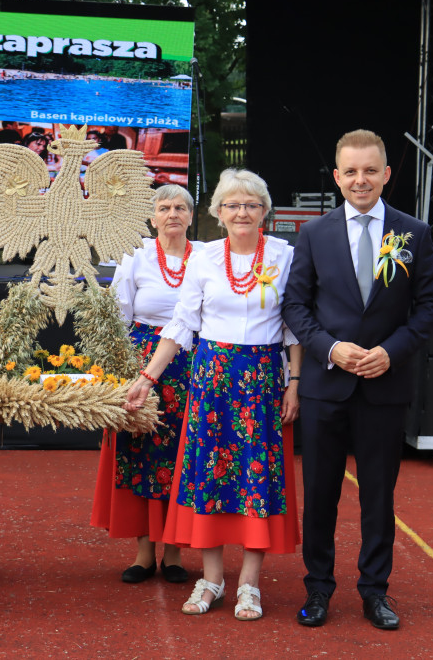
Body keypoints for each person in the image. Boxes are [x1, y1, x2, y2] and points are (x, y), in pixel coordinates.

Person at [281, 130, 433, 630]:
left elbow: (431, 306)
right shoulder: (313, 233)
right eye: (350, 171)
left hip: (383, 388)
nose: (360, 179)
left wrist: (389, 353)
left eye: (370, 170)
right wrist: (330, 348)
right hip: (325, 388)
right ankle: (318, 590)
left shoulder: (413, 232)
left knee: (378, 496)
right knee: (322, 495)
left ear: (386, 174)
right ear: (336, 177)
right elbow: (295, 306)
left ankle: (375, 592)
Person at [125, 169, 302, 621]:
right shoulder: (205, 259)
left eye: (251, 204)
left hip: (261, 380)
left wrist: (295, 381)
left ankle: (249, 585)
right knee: (210, 478)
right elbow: (182, 324)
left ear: (265, 211)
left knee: (255, 479)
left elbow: (293, 326)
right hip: (212, 379)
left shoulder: (285, 255)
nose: (242, 212)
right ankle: (212, 579)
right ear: (218, 213)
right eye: (232, 205)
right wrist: (147, 377)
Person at [91, 184, 203, 584]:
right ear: (152, 217)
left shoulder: (208, 256)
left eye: (180, 207)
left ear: (191, 216)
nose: (172, 213)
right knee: (138, 451)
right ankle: (143, 553)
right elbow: (117, 317)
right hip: (140, 369)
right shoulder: (134, 256)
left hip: (194, 369)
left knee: (182, 457)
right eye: (164, 207)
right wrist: (116, 374)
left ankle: (174, 553)